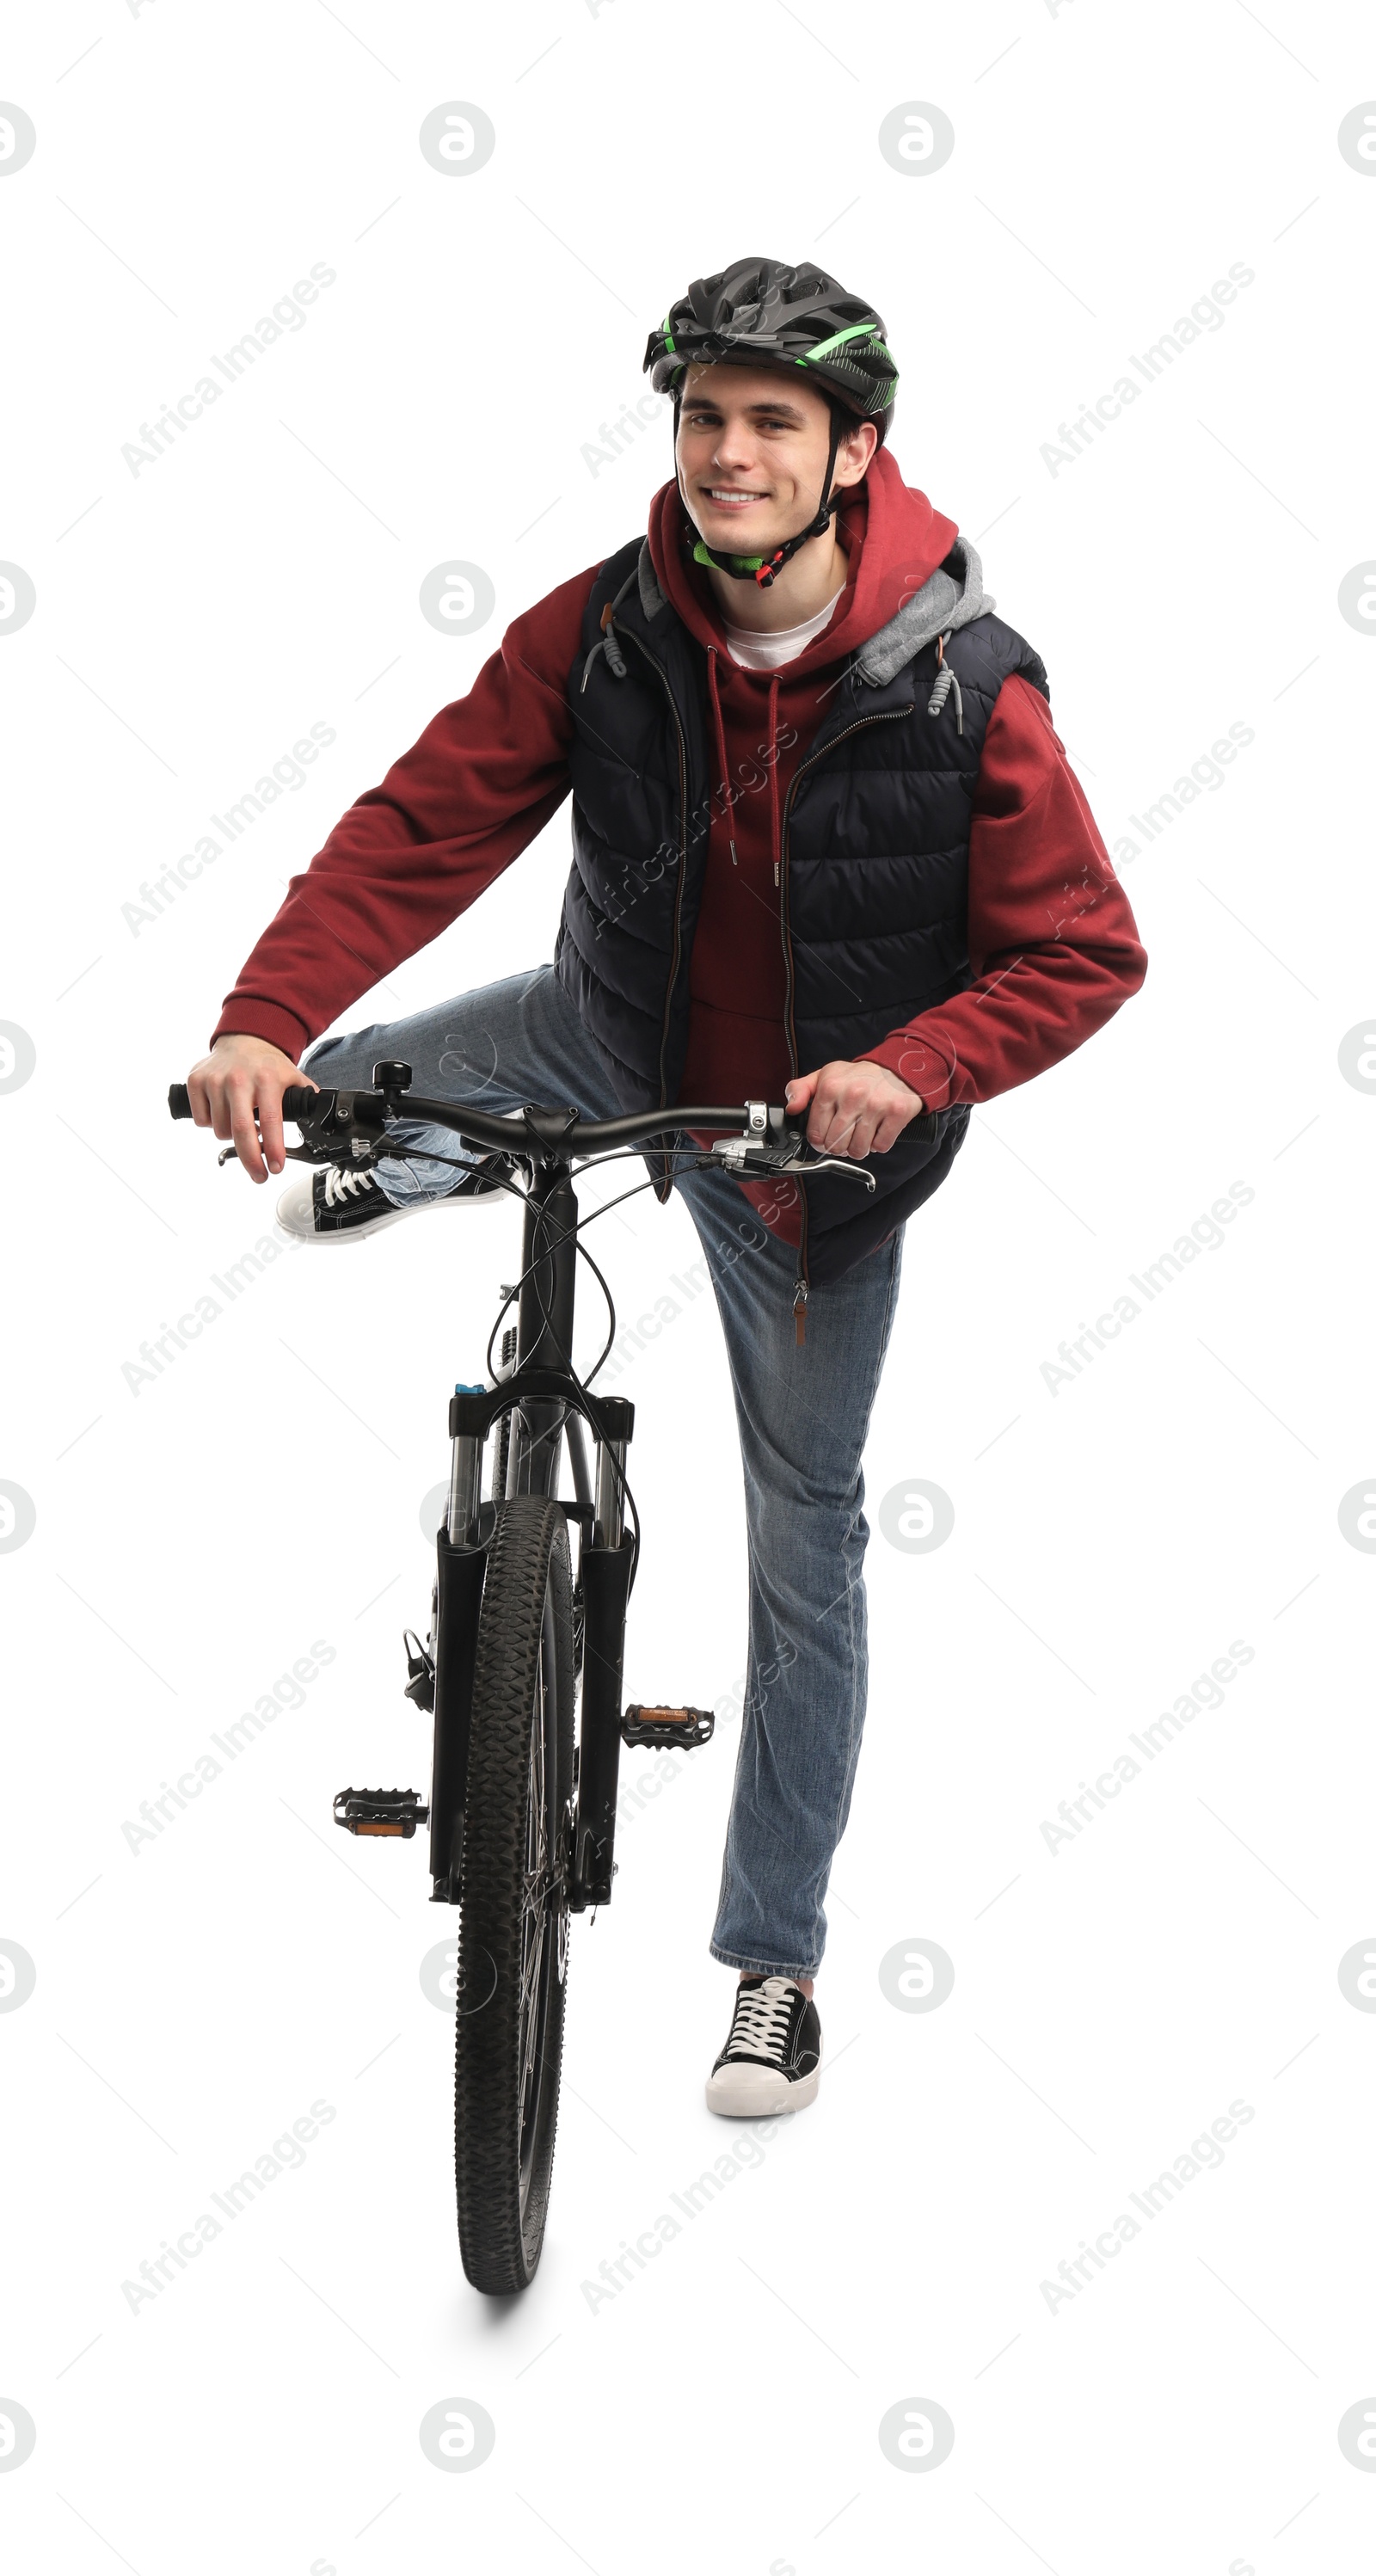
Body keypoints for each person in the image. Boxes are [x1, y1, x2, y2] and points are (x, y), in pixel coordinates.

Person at [186, 257, 1146, 2118]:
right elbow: (427, 814)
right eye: (701, 416)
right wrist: (258, 1014)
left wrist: (908, 1069)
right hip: (604, 1042)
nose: (724, 453)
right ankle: (413, 1155)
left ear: (852, 453)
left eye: (770, 424)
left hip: (802, 1163)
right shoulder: (612, 623)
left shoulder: (960, 683)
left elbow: (1086, 948)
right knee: (334, 1091)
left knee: (807, 1541)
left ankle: (772, 1962)